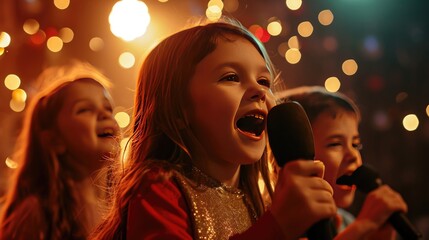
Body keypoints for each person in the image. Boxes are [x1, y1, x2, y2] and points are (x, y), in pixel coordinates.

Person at [90, 19, 337, 239]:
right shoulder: (158, 187)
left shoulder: (258, 202)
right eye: (230, 77)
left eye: (264, 81)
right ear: (177, 111)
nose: (259, 91)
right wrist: (277, 226)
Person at [0, 62, 121, 239]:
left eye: (108, 107)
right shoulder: (37, 214)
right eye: (84, 109)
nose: (104, 114)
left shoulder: (123, 207)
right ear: (55, 140)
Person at [281, 86, 409, 239]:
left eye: (355, 144)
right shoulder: (284, 228)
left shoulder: (347, 223)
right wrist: (364, 225)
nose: (353, 155)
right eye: (335, 144)